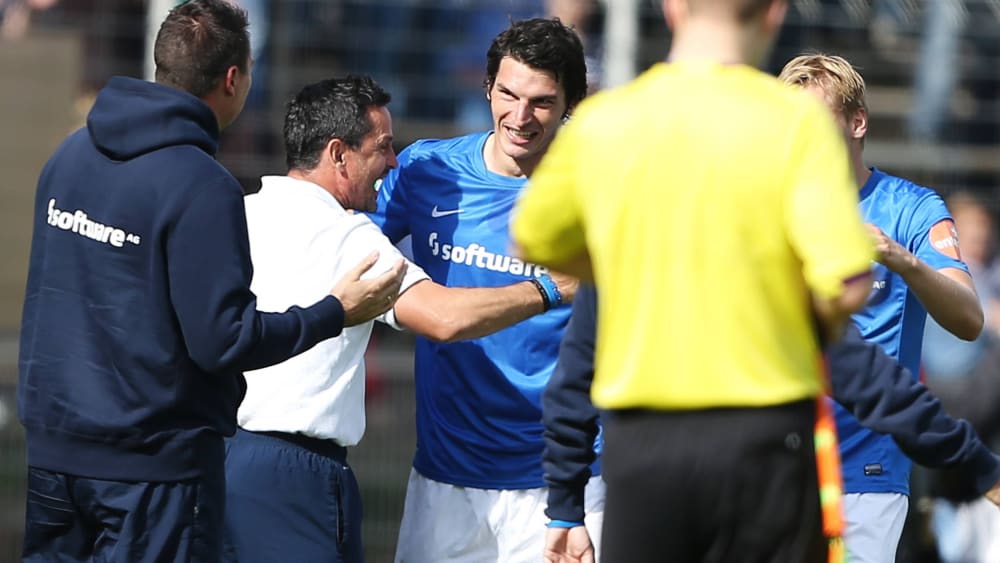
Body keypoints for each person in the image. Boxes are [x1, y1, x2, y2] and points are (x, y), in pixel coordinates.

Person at [16, 2, 404, 562]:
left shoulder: (69, 155)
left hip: (55, 457)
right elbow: (224, 341)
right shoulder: (201, 184)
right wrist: (333, 312)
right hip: (152, 473)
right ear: (233, 78)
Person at [511, 0, 876, 561]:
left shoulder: (611, 119)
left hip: (644, 443)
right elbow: (848, 281)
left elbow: (533, 237)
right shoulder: (795, 122)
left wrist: (632, 266)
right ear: (774, 13)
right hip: (766, 434)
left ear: (671, 8)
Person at [224, 74, 582, 563]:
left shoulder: (239, 214)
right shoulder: (350, 239)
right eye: (383, 147)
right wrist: (551, 286)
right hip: (296, 473)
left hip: (220, 454)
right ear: (338, 154)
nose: (394, 163)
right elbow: (444, 318)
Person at [366, 17, 601, 563]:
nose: (519, 118)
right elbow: (343, 248)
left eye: (541, 102)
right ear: (487, 88)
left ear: (569, 104)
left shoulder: (599, 194)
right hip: (444, 477)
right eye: (508, 94)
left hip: (565, 485)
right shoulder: (427, 169)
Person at [541, 285, 1000, 563]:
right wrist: (973, 461)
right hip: (756, 487)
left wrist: (565, 505)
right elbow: (862, 376)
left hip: (645, 486)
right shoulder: (761, 243)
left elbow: (573, 383)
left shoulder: (621, 236)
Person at [778, 53, 985, 563]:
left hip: (865, 475)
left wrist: (902, 260)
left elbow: (969, 318)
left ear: (856, 122)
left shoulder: (910, 208)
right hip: (769, 462)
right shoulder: (767, 209)